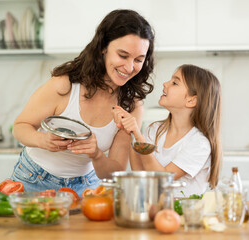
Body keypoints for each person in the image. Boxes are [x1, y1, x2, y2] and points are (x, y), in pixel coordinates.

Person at [10, 9, 155, 197]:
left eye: (138, 60)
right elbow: (20, 127)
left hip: (85, 188)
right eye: (122, 55)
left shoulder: (132, 106)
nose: (129, 67)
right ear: (103, 47)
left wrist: (96, 154)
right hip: (34, 180)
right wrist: (42, 140)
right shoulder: (65, 86)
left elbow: (114, 172)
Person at [113, 64, 222, 197]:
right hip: (157, 210)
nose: (165, 84)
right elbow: (140, 173)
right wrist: (131, 133)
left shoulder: (199, 143)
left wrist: (138, 134)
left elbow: (163, 179)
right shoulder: (154, 130)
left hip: (184, 214)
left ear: (191, 100)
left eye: (175, 83)